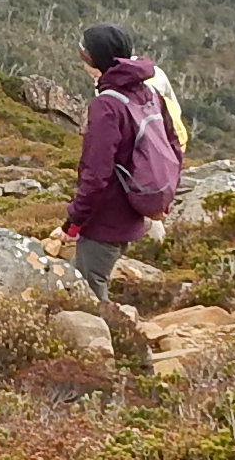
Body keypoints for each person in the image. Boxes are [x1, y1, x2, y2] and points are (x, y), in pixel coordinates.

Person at [48, 24, 181, 296]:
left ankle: (108, 335)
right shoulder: (149, 93)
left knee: (88, 287)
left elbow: (96, 175)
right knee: (93, 277)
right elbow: (173, 145)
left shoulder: (106, 105)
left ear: (93, 61)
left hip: (107, 218)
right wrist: (163, 196)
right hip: (136, 209)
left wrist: (73, 223)